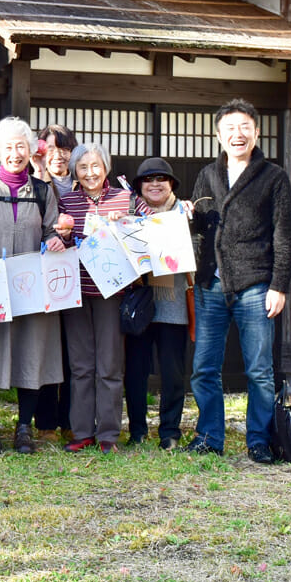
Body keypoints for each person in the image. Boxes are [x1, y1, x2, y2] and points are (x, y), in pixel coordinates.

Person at [187, 99, 291, 463]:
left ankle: (259, 441)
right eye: (230, 128)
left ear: (256, 132)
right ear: (219, 135)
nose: (238, 134)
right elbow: (200, 229)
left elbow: (285, 235)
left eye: (244, 127)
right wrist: (189, 218)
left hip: (255, 283)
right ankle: (209, 437)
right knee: (204, 367)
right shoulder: (208, 174)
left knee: (260, 370)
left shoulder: (273, 177)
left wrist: (279, 286)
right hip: (210, 284)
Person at [0, 118, 66, 455]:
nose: (15, 153)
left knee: (31, 350)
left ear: (31, 150)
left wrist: (56, 240)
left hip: (33, 284)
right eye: (8, 146)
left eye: (21, 146)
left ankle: (24, 427)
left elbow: (51, 230)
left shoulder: (42, 190)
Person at [57, 142, 148, 454]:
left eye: (95, 166)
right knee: (81, 365)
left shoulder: (125, 198)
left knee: (109, 365)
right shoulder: (67, 200)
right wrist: (62, 235)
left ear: (106, 167)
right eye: (82, 167)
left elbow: (151, 224)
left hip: (112, 291)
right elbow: (56, 236)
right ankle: (82, 432)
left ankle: (108, 433)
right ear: (75, 172)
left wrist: (128, 226)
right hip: (76, 291)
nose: (90, 173)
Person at [125, 157, 189, 450]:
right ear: (139, 186)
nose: (154, 184)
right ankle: (137, 430)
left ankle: (170, 431)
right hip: (139, 300)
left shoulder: (184, 212)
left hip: (173, 300)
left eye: (161, 179)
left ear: (171, 184)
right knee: (136, 369)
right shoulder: (128, 213)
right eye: (148, 180)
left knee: (172, 370)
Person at [31, 123, 79, 441]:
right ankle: (46, 422)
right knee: (47, 347)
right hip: (44, 274)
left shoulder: (83, 183)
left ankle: (72, 420)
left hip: (76, 276)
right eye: (51, 148)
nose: (58, 155)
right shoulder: (34, 184)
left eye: (64, 149)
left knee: (74, 350)